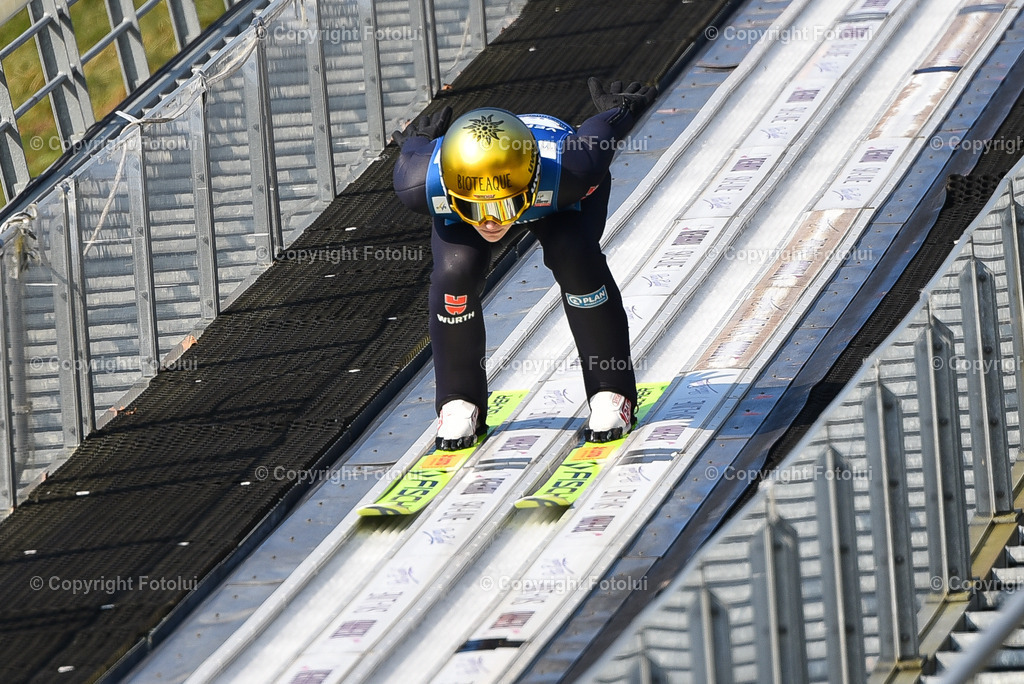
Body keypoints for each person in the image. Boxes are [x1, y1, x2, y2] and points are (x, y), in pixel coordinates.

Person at [392, 79, 657, 450]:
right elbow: (414, 150)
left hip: (558, 195)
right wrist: (420, 141)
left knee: (575, 257)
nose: (490, 222)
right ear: (450, 190)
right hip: (522, 184)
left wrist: (619, 109)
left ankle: (611, 392)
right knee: (455, 274)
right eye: (476, 208)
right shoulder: (420, 184)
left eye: (503, 207)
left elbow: (599, 133)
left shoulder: (574, 168)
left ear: (532, 186)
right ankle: (458, 402)